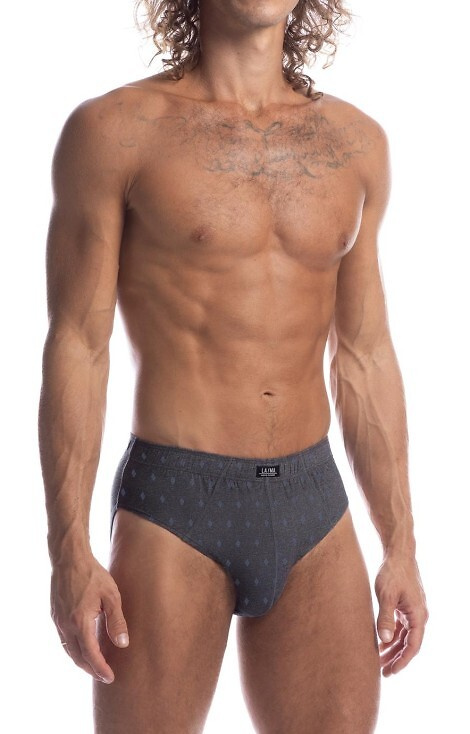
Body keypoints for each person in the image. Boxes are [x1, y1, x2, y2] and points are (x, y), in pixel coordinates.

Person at [38, 1, 429, 732]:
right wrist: (69, 550)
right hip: (177, 504)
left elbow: (365, 353)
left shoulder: (355, 143)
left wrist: (401, 543)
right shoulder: (116, 131)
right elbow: (78, 345)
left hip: (315, 506)